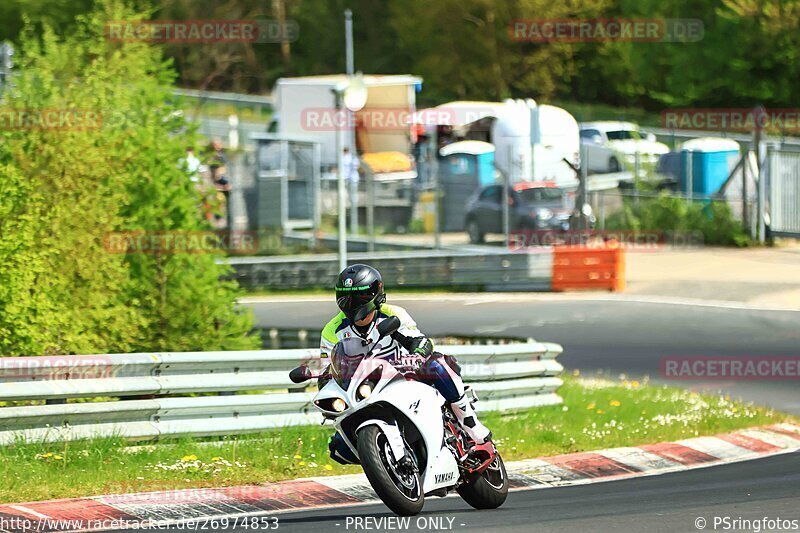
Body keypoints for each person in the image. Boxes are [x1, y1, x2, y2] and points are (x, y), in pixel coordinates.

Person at [320, 264, 492, 465]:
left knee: (437, 363)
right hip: (363, 390)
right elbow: (328, 370)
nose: (352, 303)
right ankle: (384, 459)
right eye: (345, 297)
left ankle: (469, 421)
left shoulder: (392, 313)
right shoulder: (332, 330)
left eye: (360, 297)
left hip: (404, 373)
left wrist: (417, 356)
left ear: (376, 294)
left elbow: (421, 341)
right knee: (339, 448)